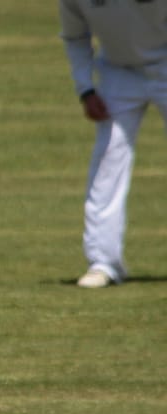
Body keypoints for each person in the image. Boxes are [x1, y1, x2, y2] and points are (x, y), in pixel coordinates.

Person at [58, 0, 167, 288]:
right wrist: (85, 89)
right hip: (119, 71)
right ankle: (103, 262)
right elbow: (74, 36)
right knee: (108, 159)